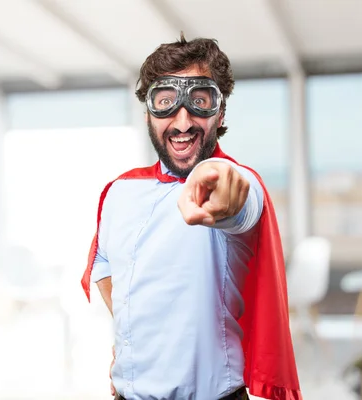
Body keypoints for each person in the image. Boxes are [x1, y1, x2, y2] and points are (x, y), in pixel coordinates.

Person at [81, 33, 301, 400]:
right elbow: (104, 262)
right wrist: (134, 338)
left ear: (221, 111)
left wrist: (217, 189)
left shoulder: (241, 183)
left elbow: (236, 202)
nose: (182, 121)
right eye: (166, 101)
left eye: (199, 101)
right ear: (149, 112)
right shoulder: (120, 192)